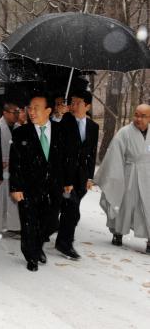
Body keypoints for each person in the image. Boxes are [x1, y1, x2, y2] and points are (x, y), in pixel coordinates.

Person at [9, 94, 70, 272]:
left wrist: (68, 181)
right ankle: (32, 255)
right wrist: (15, 186)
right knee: (29, 222)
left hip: (53, 187)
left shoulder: (61, 131)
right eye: (30, 107)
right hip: (28, 187)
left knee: (51, 223)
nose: (31, 111)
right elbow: (16, 162)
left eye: (36, 107)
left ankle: (37, 244)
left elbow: (67, 159)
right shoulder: (21, 132)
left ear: (48, 110)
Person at [94, 103, 150, 254]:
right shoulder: (124, 133)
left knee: (147, 207)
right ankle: (117, 232)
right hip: (128, 173)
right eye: (136, 114)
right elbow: (114, 155)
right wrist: (113, 178)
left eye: (143, 116)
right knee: (124, 204)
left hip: (148, 176)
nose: (138, 119)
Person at [56, 90, 99, 259]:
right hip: (64, 174)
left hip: (81, 177)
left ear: (87, 106)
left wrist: (90, 177)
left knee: (70, 210)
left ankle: (62, 238)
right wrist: (60, 116)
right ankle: (64, 243)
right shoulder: (65, 121)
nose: (73, 106)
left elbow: (92, 152)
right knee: (70, 210)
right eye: (72, 102)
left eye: (77, 103)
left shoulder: (93, 127)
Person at [0, 100, 21, 235]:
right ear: (5, 113)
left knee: (12, 199)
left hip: (13, 170)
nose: (16, 115)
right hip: (0, 169)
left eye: (18, 112)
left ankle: (12, 226)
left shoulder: (18, 128)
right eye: (14, 112)